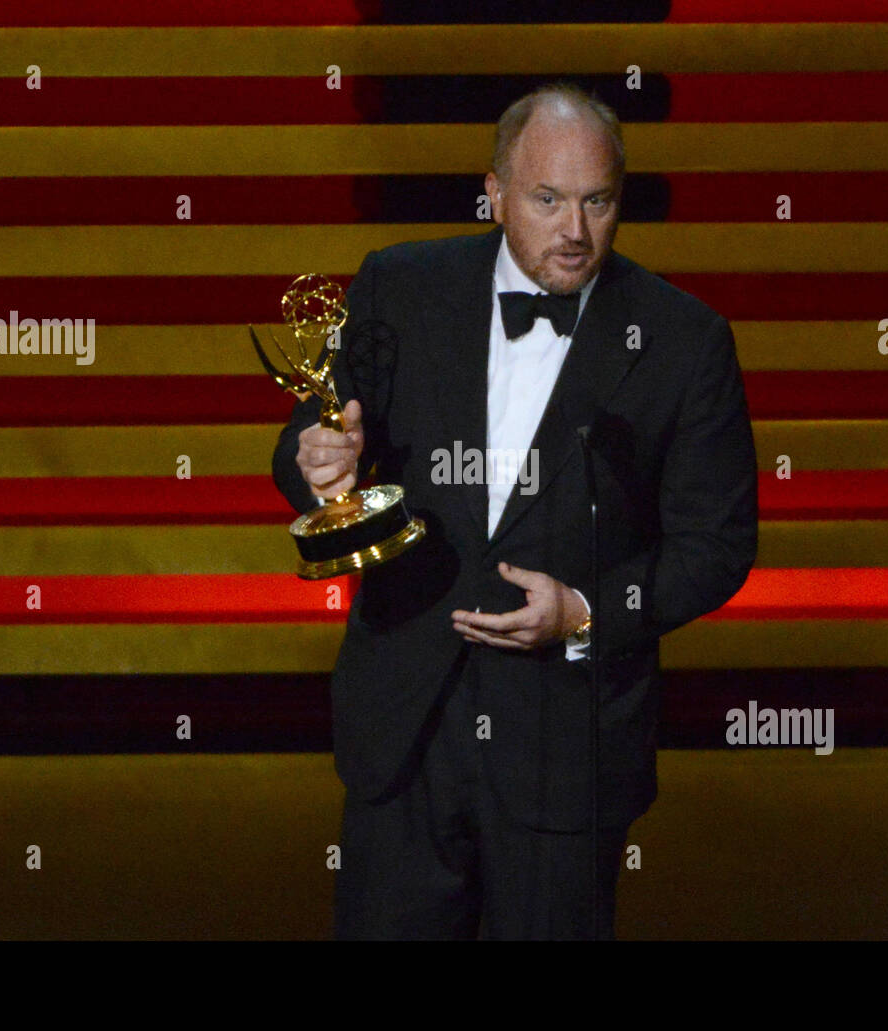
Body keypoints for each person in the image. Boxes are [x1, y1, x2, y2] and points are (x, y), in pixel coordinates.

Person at [272, 82, 758, 939]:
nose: (575, 232)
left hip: (568, 742)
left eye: (598, 202)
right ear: (493, 192)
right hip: (407, 730)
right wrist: (319, 467)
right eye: (546, 200)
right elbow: (310, 434)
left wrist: (587, 611)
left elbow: (716, 546)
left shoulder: (684, 340)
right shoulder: (400, 284)